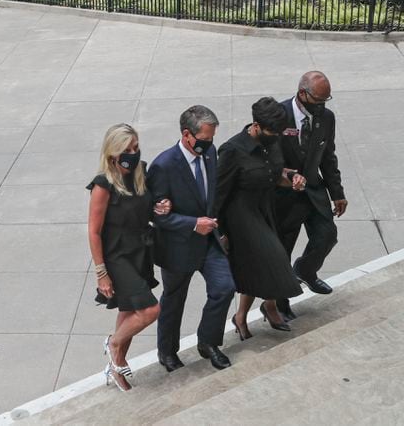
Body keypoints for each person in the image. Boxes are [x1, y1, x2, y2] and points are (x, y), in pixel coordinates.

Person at [147, 105, 236, 372]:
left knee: (224, 288)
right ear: (187, 134)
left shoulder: (210, 155)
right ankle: (167, 352)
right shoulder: (163, 166)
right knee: (174, 299)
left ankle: (207, 342)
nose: (209, 144)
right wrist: (192, 224)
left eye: (212, 139)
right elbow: (157, 215)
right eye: (205, 139)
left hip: (209, 242)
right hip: (178, 246)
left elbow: (213, 195)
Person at [215, 97, 306, 339]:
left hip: (265, 208)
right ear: (255, 125)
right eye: (270, 131)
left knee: (258, 268)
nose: (275, 135)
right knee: (275, 259)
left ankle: (242, 315)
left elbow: (275, 175)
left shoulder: (273, 140)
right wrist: (220, 230)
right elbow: (219, 192)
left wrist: (293, 180)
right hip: (240, 214)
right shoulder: (232, 150)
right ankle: (271, 305)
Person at [88, 124, 168, 392]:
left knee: (130, 309)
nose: (134, 153)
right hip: (117, 256)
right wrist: (102, 272)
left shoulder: (140, 173)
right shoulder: (103, 185)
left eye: (136, 147)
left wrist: (161, 205)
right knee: (149, 310)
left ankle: (117, 363)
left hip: (140, 251)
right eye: (127, 150)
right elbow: (94, 231)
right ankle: (113, 343)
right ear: (113, 153)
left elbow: (149, 205)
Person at [274, 71, 347, 321]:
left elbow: (328, 156)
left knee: (327, 235)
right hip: (285, 195)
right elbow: (268, 158)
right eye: (318, 100)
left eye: (325, 101)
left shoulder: (326, 118)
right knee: (282, 251)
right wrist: (286, 176)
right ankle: (279, 304)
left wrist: (337, 192)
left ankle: (305, 270)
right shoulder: (279, 116)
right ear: (302, 94)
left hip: (313, 191)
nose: (322, 106)